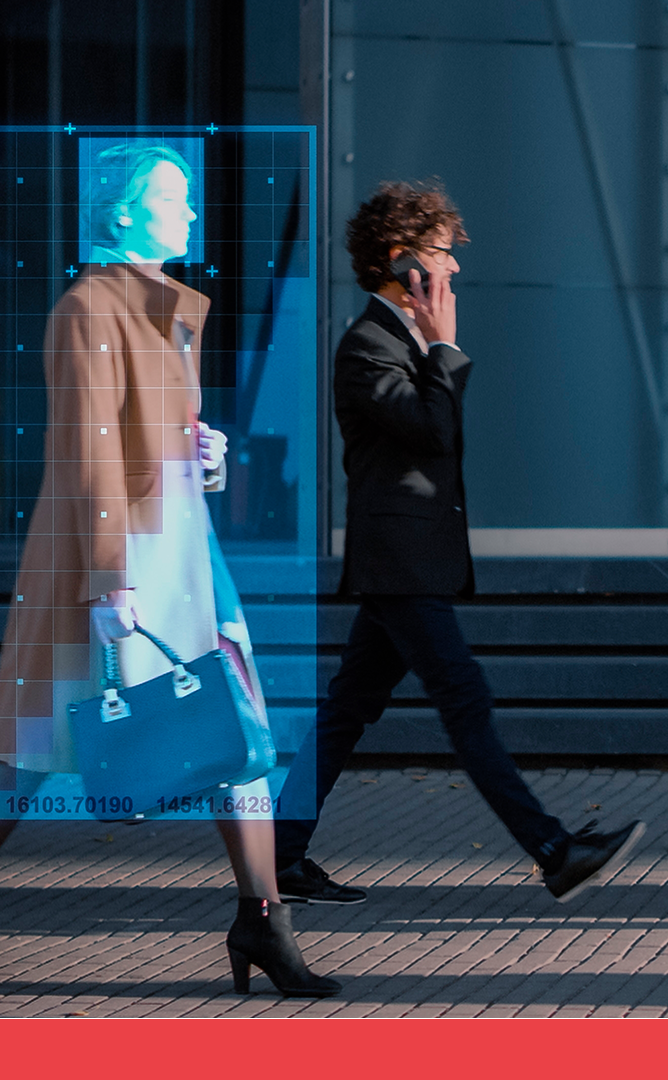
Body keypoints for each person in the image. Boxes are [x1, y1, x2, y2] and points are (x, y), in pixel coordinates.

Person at [0, 142, 338, 996]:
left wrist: (205, 456)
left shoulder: (164, 310)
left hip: (181, 550)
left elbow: (152, 439)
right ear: (125, 210)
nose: (192, 214)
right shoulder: (88, 310)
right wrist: (111, 582)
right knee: (35, 750)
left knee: (240, 728)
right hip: (114, 556)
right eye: (174, 199)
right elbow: (89, 454)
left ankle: (262, 918)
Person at [270, 181, 645, 906]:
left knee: (347, 710)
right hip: (399, 565)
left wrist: (436, 346)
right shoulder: (367, 347)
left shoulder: (399, 342)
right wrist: (443, 345)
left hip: (406, 562)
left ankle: (281, 855)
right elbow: (432, 431)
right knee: (463, 698)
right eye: (442, 252)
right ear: (400, 258)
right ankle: (554, 851)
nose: (455, 267)